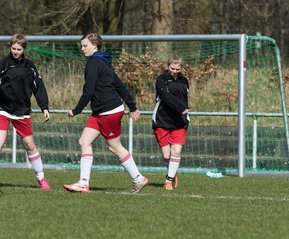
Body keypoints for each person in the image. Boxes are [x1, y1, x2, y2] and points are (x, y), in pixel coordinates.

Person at [63, 33, 148, 194]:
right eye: (81, 46)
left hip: (109, 110)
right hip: (99, 111)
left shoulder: (94, 63)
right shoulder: (103, 61)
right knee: (84, 141)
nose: (82, 49)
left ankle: (138, 178)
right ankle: (83, 183)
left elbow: (88, 91)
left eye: (85, 45)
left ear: (95, 46)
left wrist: (76, 110)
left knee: (115, 147)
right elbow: (119, 85)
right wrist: (132, 106)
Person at [0, 34, 51, 190]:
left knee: (29, 145)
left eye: (19, 49)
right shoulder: (3, 64)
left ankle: (41, 178)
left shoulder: (30, 66)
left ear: (24, 49)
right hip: (3, 109)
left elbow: (39, 86)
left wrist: (44, 106)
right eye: (13, 48)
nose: (16, 52)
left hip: (22, 111)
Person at [152, 53, 190, 191]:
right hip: (162, 120)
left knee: (177, 151)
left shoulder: (184, 81)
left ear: (181, 68)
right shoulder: (161, 79)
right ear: (168, 66)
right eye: (172, 68)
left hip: (179, 121)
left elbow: (185, 98)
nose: (174, 71)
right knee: (167, 155)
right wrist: (181, 108)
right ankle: (173, 172)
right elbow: (166, 97)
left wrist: (185, 112)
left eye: (177, 69)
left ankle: (168, 180)